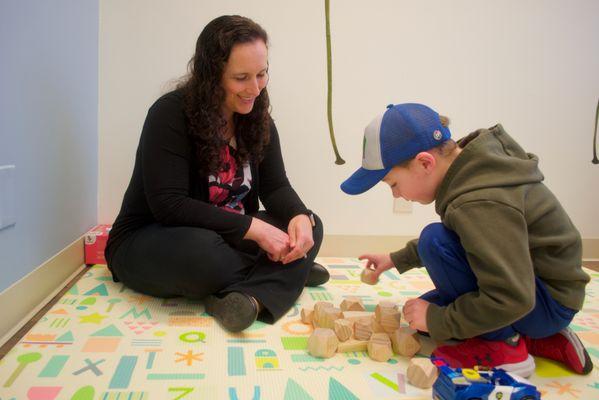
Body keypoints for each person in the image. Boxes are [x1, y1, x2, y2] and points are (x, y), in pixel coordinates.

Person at [105, 15, 328, 333]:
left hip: (226, 237)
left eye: (262, 74)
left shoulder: (257, 117)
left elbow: (276, 187)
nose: (254, 88)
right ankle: (290, 274)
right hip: (154, 238)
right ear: (212, 75)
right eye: (241, 78)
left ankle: (250, 297)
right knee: (204, 255)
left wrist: (298, 216)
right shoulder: (169, 114)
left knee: (310, 225)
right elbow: (169, 205)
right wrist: (254, 229)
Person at [340, 103, 593, 377]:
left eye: (393, 184)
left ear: (425, 162)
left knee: (433, 256)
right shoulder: (472, 172)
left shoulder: (479, 201)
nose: (396, 195)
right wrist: (394, 259)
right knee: (421, 314)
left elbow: (511, 298)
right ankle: (541, 338)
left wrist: (438, 320)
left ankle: (505, 349)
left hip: (541, 301)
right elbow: (467, 240)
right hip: (539, 290)